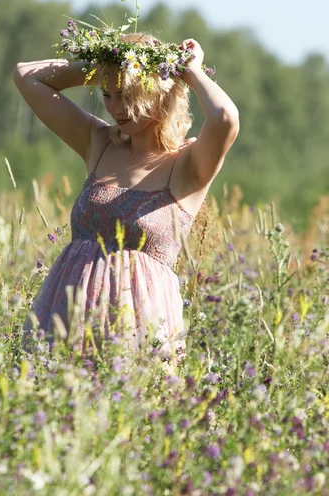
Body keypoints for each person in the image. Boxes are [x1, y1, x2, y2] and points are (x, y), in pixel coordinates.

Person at [13, 32, 240, 361]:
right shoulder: (100, 142)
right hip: (66, 323)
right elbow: (26, 76)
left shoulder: (188, 165)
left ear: (160, 92)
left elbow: (225, 118)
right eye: (107, 94)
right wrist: (106, 63)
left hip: (138, 338)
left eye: (127, 96)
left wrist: (189, 71)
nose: (115, 108)